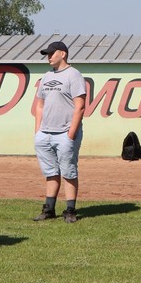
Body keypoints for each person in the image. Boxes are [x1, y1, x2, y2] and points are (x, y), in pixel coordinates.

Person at [30, 40, 86, 222]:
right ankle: (49, 209)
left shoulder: (74, 75)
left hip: (64, 133)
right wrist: (38, 131)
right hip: (45, 133)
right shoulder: (46, 77)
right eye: (47, 54)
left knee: (69, 171)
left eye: (51, 53)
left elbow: (80, 106)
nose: (48, 57)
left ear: (63, 54)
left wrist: (71, 134)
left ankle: (70, 210)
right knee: (51, 172)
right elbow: (39, 105)